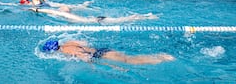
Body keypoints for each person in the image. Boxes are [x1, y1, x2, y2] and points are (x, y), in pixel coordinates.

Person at [41, 40, 175, 65]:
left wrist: (95, 66)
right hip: (102, 49)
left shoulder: (66, 51)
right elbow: (85, 43)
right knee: (129, 57)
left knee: (130, 61)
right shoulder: (68, 42)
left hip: (102, 55)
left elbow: (85, 57)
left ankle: (162, 58)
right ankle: (159, 57)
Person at [29, 6, 158, 24]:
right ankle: (145, 15)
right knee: (123, 19)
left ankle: (146, 16)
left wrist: (37, 10)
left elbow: (51, 11)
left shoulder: (66, 16)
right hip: (96, 19)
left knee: (124, 20)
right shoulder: (69, 16)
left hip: (97, 21)